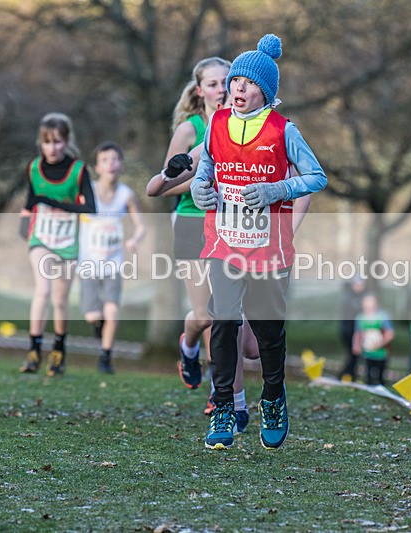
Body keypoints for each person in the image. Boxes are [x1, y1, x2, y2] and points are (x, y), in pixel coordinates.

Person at [189, 34, 327, 450]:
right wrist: (199, 188)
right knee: (224, 322)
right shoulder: (216, 123)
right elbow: (206, 168)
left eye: (246, 84)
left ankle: (272, 398)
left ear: (264, 90)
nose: (237, 90)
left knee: (267, 332)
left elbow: (316, 177)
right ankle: (225, 407)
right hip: (224, 241)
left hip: (268, 247)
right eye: (234, 82)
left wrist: (274, 190)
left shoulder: (283, 130)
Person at [156, 56, 232, 393]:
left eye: (226, 82)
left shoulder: (241, 126)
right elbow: (166, 181)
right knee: (203, 316)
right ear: (200, 90)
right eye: (213, 84)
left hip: (230, 225)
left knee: (224, 315)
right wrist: (208, 177)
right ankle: (188, 349)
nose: (221, 90)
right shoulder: (190, 129)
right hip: (191, 222)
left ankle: (221, 394)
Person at [18, 112, 96, 376]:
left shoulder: (78, 170)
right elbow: (30, 201)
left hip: (68, 242)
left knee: (61, 299)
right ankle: (33, 350)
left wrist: (53, 203)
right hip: (40, 238)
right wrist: (24, 220)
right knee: (43, 290)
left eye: (58, 142)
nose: (53, 148)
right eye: (48, 142)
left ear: (66, 141)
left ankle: (59, 350)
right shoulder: (33, 168)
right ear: (40, 142)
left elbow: (91, 207)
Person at [77, 141, 145, 373]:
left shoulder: (126, 195)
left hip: (113, 263)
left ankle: (105, 357)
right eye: (105, 160)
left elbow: (140, 226)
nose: (111, 164)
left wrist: (135, 240)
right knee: (92, 315)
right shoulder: (88, 192)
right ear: (97, 167)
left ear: (122, 165)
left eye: (115, 159)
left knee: (113, 309)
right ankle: (99, 327)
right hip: (88, 263)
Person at [352, 293, 394, 386]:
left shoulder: (383, 316)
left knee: (380, 375)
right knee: (369, 375)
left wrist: (379, 344)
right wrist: (356, 345)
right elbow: (358, 333)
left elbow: (390, 333)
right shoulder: (360, 317)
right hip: (367, 352)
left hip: (382, 352)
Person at [337, 276, 367, 382]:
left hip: (355, 331)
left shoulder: (361, 297)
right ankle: (345, 374)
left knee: (354, 356)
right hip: (349, 331)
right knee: (353, 354)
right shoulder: (350, 297)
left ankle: (350, 374)